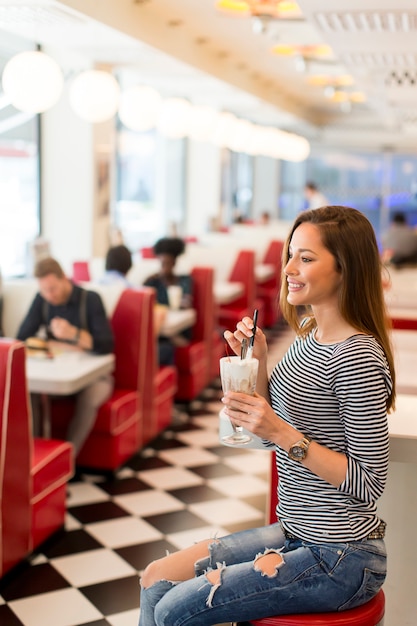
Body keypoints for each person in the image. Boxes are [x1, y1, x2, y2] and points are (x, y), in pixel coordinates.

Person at [138, 205, 395, 625]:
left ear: (346, 268)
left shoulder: (357, 357)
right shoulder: (308, 334)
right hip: (295, 532)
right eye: (291, 254)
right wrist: (255, 366)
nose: (289, 268)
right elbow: (266, 427)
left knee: (172, 613)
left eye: (306, 258)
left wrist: (280, 429)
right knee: (156, 579)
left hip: (341, 555)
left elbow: (369, 483)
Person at [17, 257, 114, 455]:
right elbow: (22, 337)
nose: (49, 295)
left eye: (53, 288)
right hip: (58, 373)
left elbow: (106, 345)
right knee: (28, 391)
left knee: (89, 399)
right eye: (44, 290)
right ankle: (36, 456)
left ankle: (68, 460)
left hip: (94, 377)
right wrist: (55, 344)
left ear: (64, 279)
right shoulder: (42, 299)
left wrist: (73, 334)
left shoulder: (90, 299)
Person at [144, 237, 193, 358]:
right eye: (162, 263)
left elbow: (187, 302)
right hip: (161, 329)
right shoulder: (152, 282)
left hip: (180, 329)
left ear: (174, 262)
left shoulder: (184, 281)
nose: (164, 267)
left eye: (168, 263)